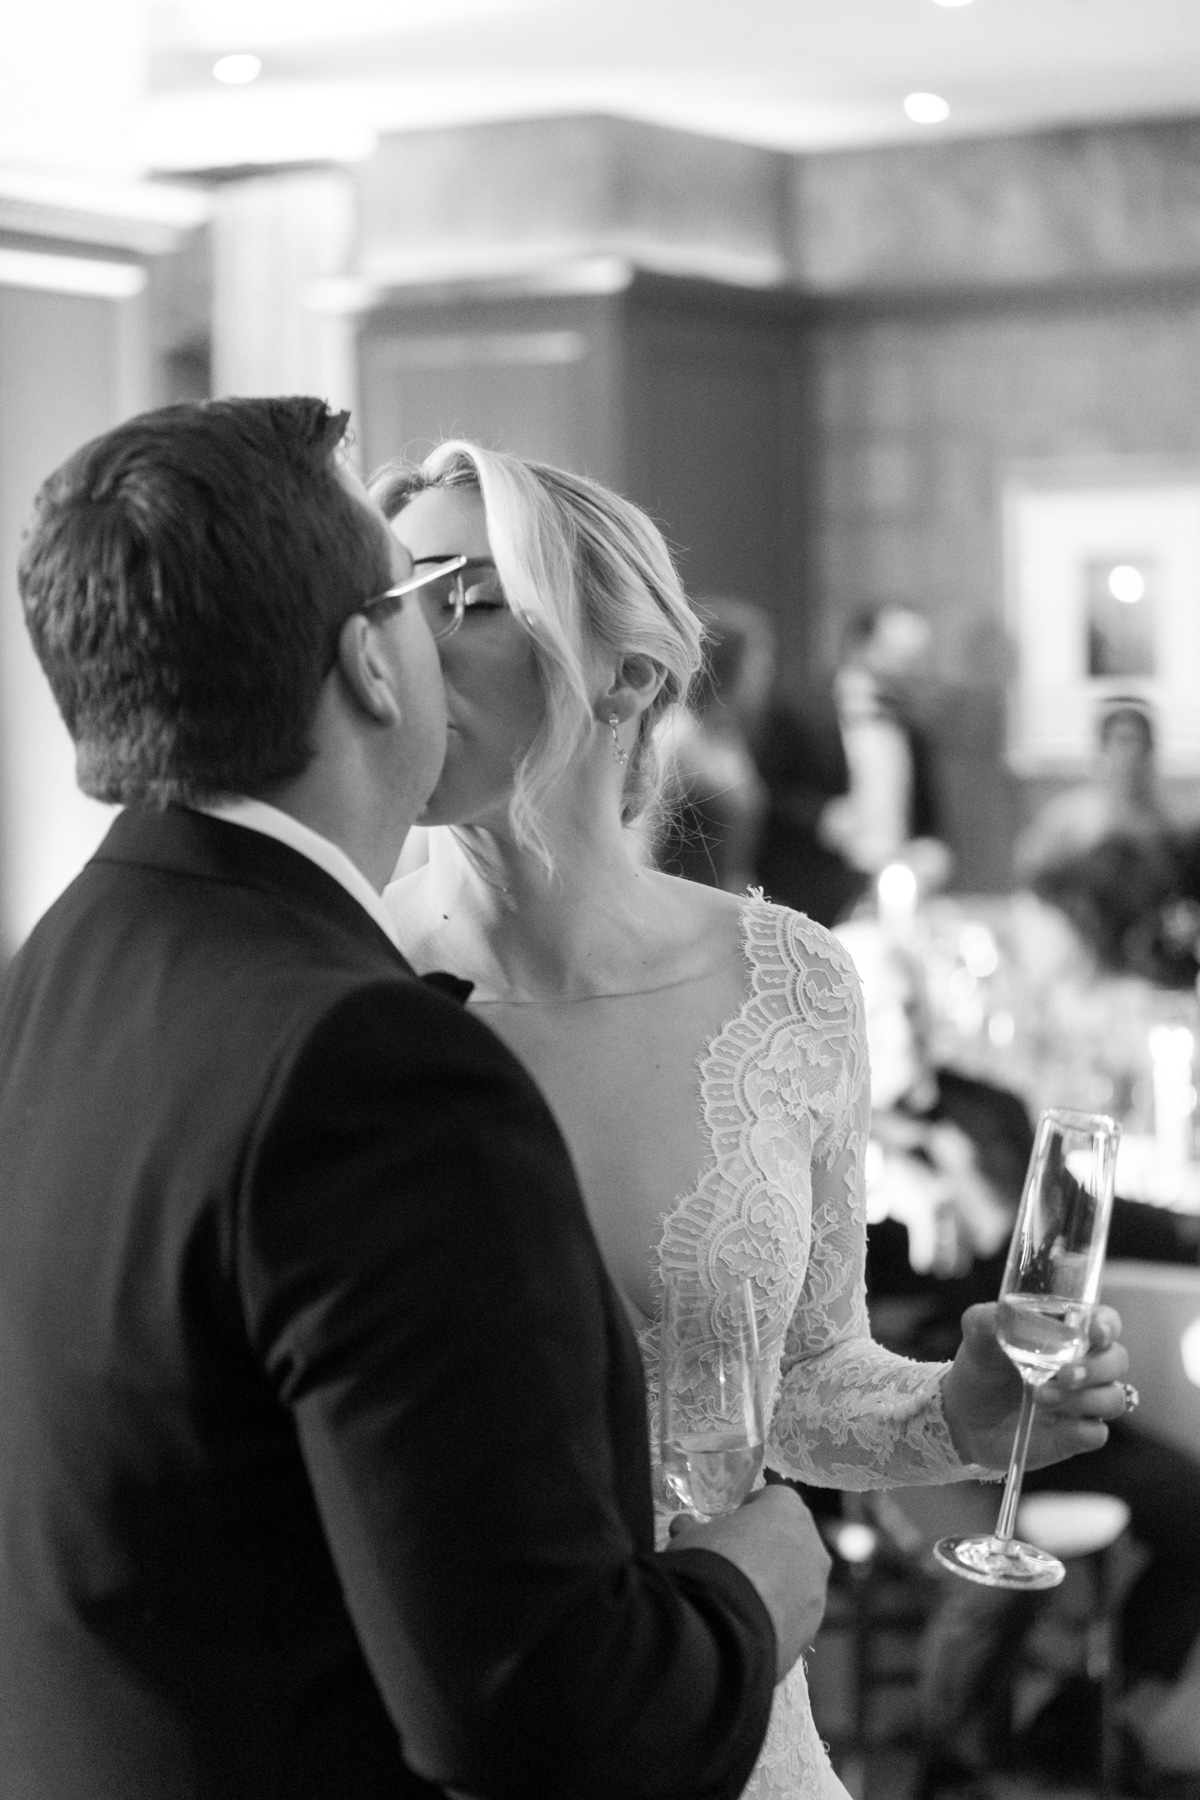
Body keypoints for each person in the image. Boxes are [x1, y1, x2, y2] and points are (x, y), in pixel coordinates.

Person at [0, 396, 837, 1800]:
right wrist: (750, 1595)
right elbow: (536, 1713)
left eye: (476, 597)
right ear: (368, 667)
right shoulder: (370, 1060)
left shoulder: (66, 959)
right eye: (419, 596)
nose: (442, 639)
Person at [372, 440, 1131, 1800]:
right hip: (446, 1733)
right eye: (394, 598)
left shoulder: (789, 982)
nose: (408, 647)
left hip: (728, 1727)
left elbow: (802, 1384)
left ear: (628, 674)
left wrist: (958, 1410)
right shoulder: (334, 978)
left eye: (467, 600)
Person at [835, 920, 1200, 1796]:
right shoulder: (834, 1133)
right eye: (881, 1007)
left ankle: (1096, 1717)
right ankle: (955, 1769)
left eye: (910, 1003)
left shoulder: (985, 1110)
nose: (903, 1024)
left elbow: (1066, 1223)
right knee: (986, 1577)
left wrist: (1187, 1235)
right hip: (899, 1413)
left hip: (1034, 1394)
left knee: (1194, 1504)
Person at [655, 595, 772, 892]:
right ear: (727, 663)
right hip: (682, 900)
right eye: (757, 661)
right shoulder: (678, 734)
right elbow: (646, 834)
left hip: (726, 895)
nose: (766, 672)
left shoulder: (731, 737)